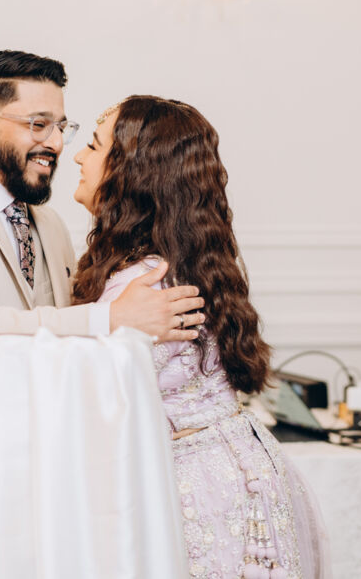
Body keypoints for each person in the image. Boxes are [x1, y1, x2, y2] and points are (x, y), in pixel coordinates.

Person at [71, 95, 330, 579]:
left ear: (130, 171)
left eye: (92, 145)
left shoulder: (145, 284)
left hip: (200, 494)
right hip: (236, 467)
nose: (78, 157)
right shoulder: (177, 260)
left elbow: (94, 402)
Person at [0, 50, 205, 340]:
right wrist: (109, 318)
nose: (56, 143)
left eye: (61, 128)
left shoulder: (50, 224)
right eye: (38, 124)